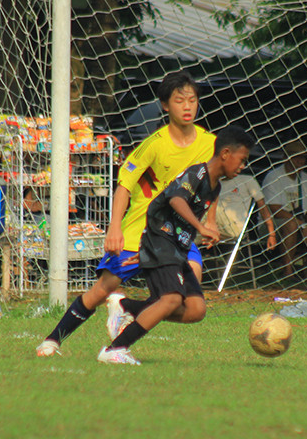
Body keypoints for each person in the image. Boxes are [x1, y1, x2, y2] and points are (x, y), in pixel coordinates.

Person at [35, 72, 216, 357]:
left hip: (176, 235)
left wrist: (211, 221)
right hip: (140, 230)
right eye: (180, 100)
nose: (187, 106)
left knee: (193, 304)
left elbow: (211, 184)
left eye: (192, 100)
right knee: (102, 289)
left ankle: (127, 310)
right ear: (165, 106)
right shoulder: (154, 144)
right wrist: (114, 228)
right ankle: (52, 340)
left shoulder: (209, 143)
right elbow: (124, 186)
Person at [98, 127, 253, 365]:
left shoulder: (215, 187)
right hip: (162, 240)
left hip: (176, 248)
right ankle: (115, 349)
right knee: (170, 299)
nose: (243, 166)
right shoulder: (196, 173)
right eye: (242, 160)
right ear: (225, 154)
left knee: (196, 309)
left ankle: (126, 306)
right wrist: (201, 228)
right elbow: (176, 199)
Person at [262, 138, 307, 278]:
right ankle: (288, 271)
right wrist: (304, 226)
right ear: (286, 158)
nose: (300, 161)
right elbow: (275, 209)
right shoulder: (273, 177)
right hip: (274, 224)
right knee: (291, 224)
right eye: (296, 158)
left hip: (301, 221)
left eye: (303, 158)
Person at [215, 172, 276, 247]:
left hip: (233, 227)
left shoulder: (246, 180)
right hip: (212, 225)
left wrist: (272, 234)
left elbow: (263, 208)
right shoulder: (214, 181)